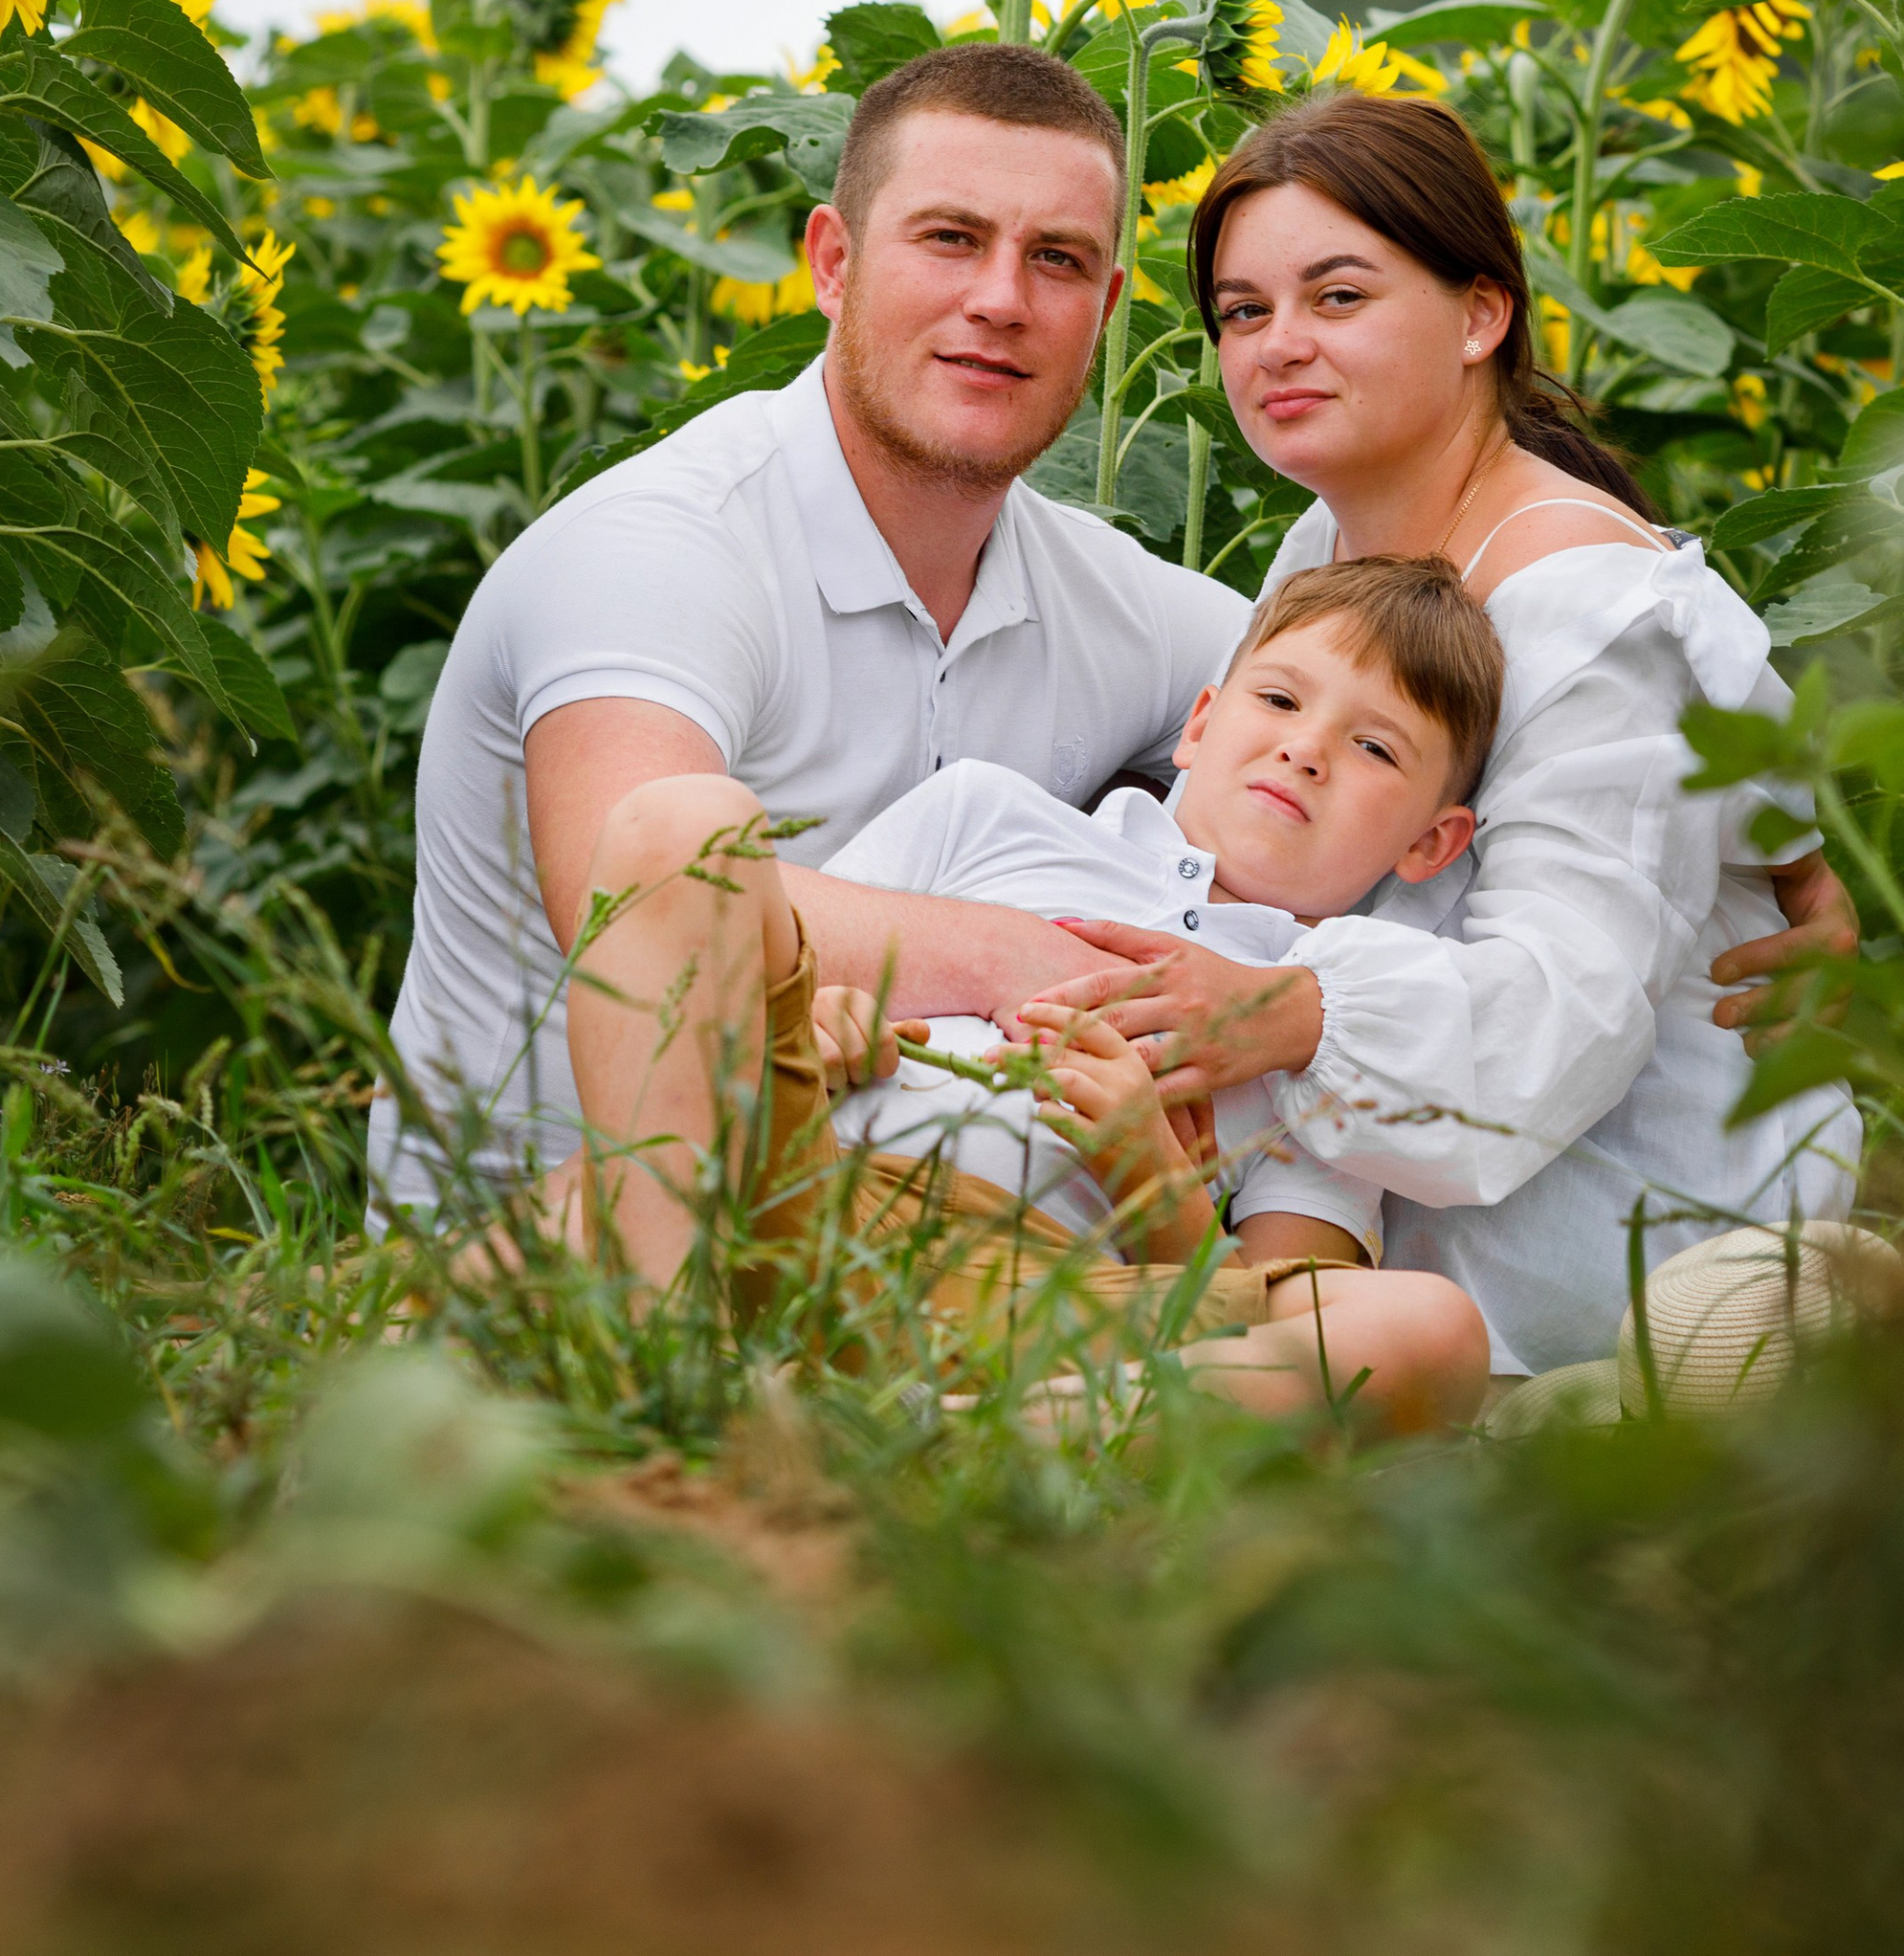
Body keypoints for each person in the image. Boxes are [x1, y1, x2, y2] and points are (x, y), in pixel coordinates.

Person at [1021, 94, 1863, 1379]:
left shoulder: (1593, 610)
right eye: (1244, 311)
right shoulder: (1336, 538)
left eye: (1338, 297)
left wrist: (1281, 1012)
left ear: (1482, 314)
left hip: (1627, 1262)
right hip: (1363, 1235)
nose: (1279, 346)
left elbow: (1557, 1024)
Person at [370, 44, 1250, 1217]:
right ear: (831, 263)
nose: (1001, 299)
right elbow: (635, 899)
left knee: (1390, 1347)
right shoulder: (662, 547)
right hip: (552, 1245)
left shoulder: (1105, 596)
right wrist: (1017, 954)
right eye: (950, 238)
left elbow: (1396, 711)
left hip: (933, 1247)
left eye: (1058, 260)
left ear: (1104, 304)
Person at [510, 555, 1504, 1433]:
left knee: (1424, 1333)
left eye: (1375, 748)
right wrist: (824, 1026)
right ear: (1201, 722)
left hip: (1037, 1290)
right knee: (682, 820)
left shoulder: (1329, 1019)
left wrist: (1147, 1171)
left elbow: (1256, 1295)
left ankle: (944, 1439)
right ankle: (664, 1360)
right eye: (1280, 701)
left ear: (1430, 843)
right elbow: (766, 982)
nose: (1306, 748)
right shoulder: (989, 819)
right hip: (807, 1184)